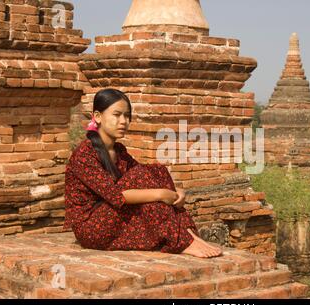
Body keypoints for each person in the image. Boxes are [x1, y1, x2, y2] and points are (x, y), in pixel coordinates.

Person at [64, 88, 222, 258]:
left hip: (110, 216)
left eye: (127, 116)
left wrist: (176, 193)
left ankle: (187, 235)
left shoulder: (119, 150)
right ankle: (184, 239)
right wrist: (161, 193)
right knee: (143, 180)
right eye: (117, 115)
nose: (123, 121)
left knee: (156, 171)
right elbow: (117, 196)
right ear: (98, 116)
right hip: (92, 228)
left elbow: (150, 178)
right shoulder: (85, 153)